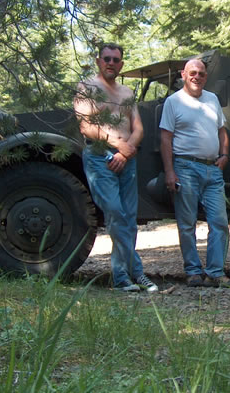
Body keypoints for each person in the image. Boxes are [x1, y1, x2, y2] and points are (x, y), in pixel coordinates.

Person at [74, 43, 158, 292]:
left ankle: (122, 278)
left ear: (121, 64)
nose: (111, 63)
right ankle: (137, 272)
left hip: (127, 158)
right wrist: (118, 145)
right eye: (107, 58)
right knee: (115, 212)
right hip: (99, 156)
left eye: (116, 60)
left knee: (129, 218)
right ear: (98, 61)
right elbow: (86, 126)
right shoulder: (87, 87)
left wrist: (126, 149)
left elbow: (138, 127)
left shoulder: (126, 92)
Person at [159, 57, 230, 287]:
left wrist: (224, 155)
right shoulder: (173, 102)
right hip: (185, 167)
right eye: (192, 73)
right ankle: (193, 271)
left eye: (201, 74)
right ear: (183, 75)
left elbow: (222, 130)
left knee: (220, 222)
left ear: (206, 77)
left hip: (213, 169)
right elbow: (165, 138)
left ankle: (215, 272)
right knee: (187, 223)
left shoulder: (212, 99)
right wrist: (169, 171)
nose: (197, 77)